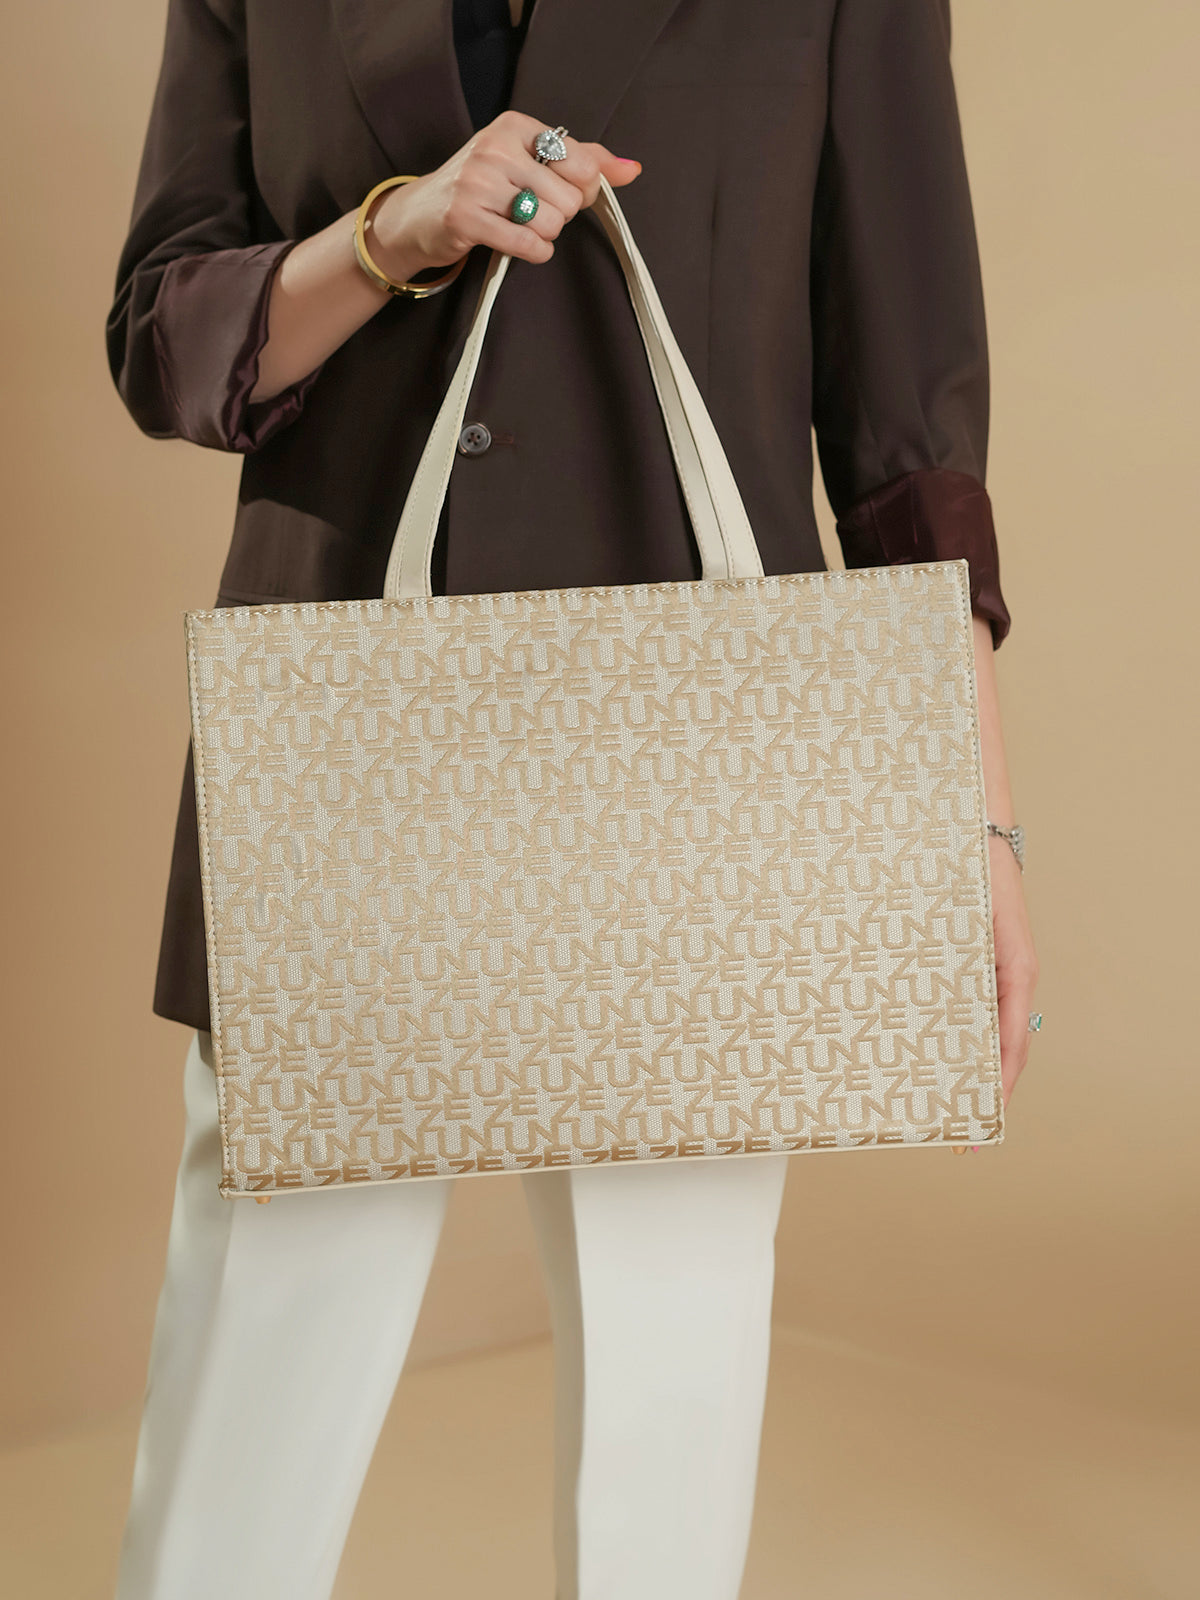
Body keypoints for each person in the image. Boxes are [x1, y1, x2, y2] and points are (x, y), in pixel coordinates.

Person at [106, 1, 1039, 1595]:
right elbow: (164, 342)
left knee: (661, 1410)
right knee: (244, 1404)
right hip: (345, 760)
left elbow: (906, 438)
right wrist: (391, 235)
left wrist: (980, 820)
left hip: (693, 785)